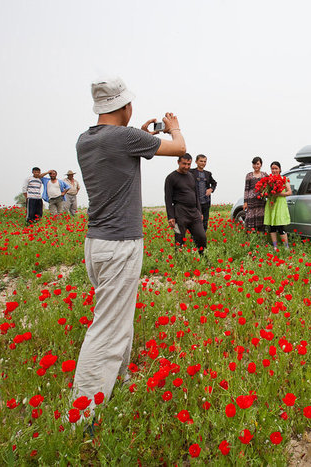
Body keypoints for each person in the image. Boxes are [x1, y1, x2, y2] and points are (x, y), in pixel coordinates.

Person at [74, 76, 186, 423]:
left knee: (117, 320)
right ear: (124, 106)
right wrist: (173, 127)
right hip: (120, 244)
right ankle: (82, 416)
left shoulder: (86, 140)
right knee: (107, 327)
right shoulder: (126, 138)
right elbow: (180, 149)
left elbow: (122, 152)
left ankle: (117, 380)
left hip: (96, 243)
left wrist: (140, 134)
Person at [165, 153, 207, 253]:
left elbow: (196, 194)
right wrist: (170, 216)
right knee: (179, 239)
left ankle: (203, 258)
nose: (186, 167)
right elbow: (168, 199)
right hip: (180, 212)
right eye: (184, 164)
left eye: (189, 164)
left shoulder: (191, 176)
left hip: (193, 212)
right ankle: (180, 261)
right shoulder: (171, 178)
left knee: (201, 237)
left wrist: (199, 211)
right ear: (178, 162)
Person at [263, 161, 292, 250]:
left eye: (276, 168)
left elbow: (289, 192)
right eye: (272, 168)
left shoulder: (284, 179)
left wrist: (279, 194)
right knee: (272, 226)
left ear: (279, 169)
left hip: (280, 204)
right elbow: (265, 192)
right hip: (271, 204)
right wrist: (267, 193)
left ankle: (286, 247)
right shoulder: (269, 179)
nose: (274, 170)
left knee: (280, 226)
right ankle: (275, 246)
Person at [189, 154, 217, 230]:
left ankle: (202, 238)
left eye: (205, 161)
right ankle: (194, 239)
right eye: (201, 161)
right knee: (195, 222)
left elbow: (214, 183)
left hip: (206, 202)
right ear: (196, 162)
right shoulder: (191, 172)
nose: (203, 163)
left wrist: (211, 189)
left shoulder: (208, 174)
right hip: (195, 203)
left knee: (205, 222)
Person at [243, 156, 268, 232]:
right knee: (250, 221)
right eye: (254, 164)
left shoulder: (265, 175)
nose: (256, 166)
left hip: (261, 201)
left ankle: (261, 238)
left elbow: (268, 187)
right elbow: (246, 189)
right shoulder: (249, 175)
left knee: (261, 220)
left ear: (261, 165)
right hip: (251, 202)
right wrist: (245, 202)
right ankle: (250, 239)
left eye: (257, 164)